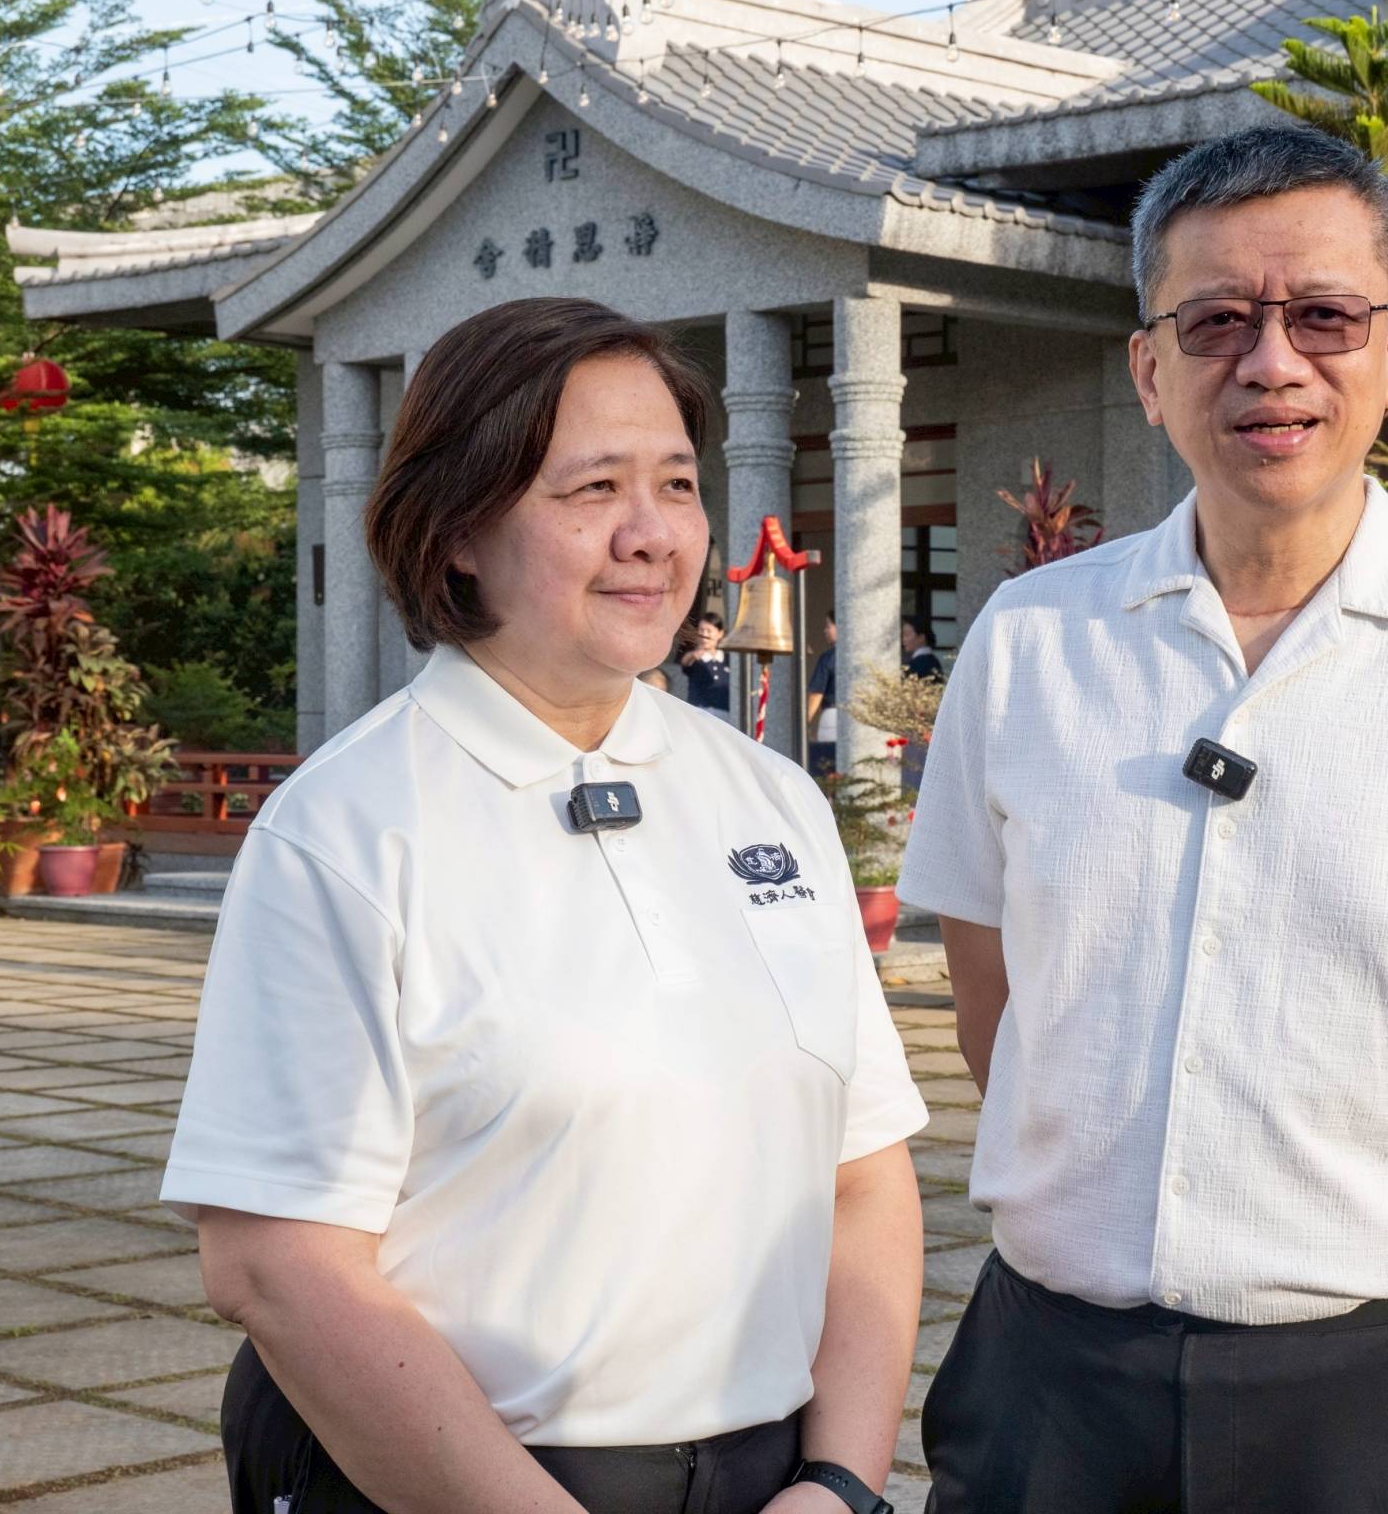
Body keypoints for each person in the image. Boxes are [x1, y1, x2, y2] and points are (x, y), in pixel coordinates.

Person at [896, 124, 1388, 1514]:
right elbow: (997, 1005)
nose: (1273, 363)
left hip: (1373, 1400)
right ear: (1150, 372)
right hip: (1050, 1381)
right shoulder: (1030, 646)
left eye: (1323, 316)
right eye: (1215, 323)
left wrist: (1367, 1236)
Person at [164, 297, 928, 1514]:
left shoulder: (770, 799)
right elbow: (274, 1261)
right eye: (590, 491)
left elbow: (862, 1173)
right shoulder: (350, 829)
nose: (651, 535)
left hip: (768, 1475)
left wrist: (838, 1479)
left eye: (676, 485)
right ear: (459, 531)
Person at [681, 611, 733, 722]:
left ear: (720, 633)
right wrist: (693, 655)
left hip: (724, 714)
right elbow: (685, 662)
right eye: (701, 630)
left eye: (709, 631)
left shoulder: (728, 660)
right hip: (699, 713)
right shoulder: (695, 657)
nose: (704, 635)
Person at [808, 613, 838, 777]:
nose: (825, 630)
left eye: (828, 626)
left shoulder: (829, 657)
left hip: (831, 717)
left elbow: (816, 693)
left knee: (827, 768)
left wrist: (805, 721)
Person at [900, 616, 944, 682]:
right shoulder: (932, 660)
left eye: (907, 635)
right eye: (903, 635)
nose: (903, 640)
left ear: (921, 637)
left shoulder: (919, 664)